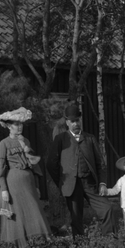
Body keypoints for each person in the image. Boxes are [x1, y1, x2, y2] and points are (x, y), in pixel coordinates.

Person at [0, 107, 53, 248]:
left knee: (33, 210)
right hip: (13, 182)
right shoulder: (4, 143)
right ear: (9, 126)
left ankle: (36, 245)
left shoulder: (25, 141)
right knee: (17, 213)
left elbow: (33, 164)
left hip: (28, 182)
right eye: (16, 124)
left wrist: (37, 186)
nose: (20, 127)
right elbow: (0, 167)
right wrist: (4, 189)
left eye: (21, 124)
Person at [45, 102, 106, 240]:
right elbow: (51, 164)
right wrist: (61, 181)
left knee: (107, 210)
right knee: (76, 217)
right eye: (72, 121)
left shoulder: (90, 138)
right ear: (67, 122)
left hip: (90, 183)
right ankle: (80, 245)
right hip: (71, 185)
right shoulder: (60, 139)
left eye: (77, 120)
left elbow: (100, 163)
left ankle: (110, 241)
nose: (75, 124)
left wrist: (102, 183)